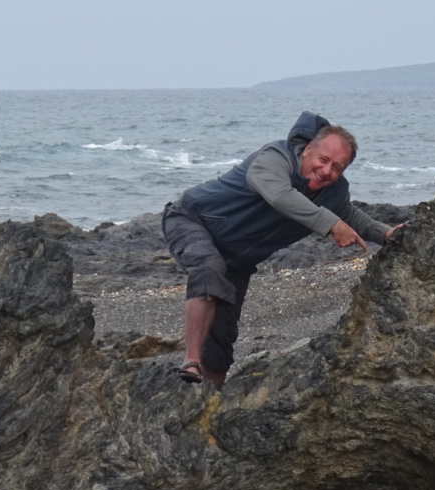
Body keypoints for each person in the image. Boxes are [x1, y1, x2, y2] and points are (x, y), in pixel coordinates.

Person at [162, 111, 403, 388]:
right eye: (323, 159)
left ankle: (209, 397)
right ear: (308, 149)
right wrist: (331, 224)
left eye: (337, 167)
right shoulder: (275, 158)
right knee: (208, 268)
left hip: (236, 259)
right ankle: (190, 360)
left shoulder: (333, 192)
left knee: (222, 341)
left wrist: (386, 234)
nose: (326, 171)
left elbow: (351, 216)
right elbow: (279, 195)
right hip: (191, 220)